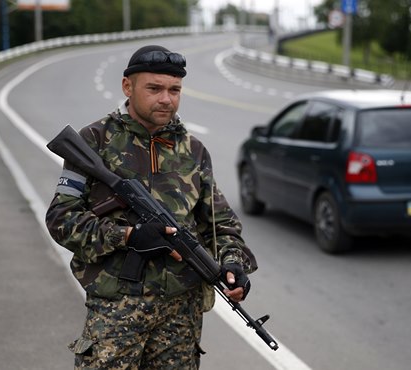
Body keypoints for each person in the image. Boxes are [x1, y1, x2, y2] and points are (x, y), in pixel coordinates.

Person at [45, 44, 257, 369]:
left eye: (175, 90)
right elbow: (61, 219)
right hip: (116, 313)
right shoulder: (93, 141)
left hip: (180, 318)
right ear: (127, 87)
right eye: (154, 88)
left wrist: (233, 264)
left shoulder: (193, 150)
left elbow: (223, 225)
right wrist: (129, 236)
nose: (166, 99)